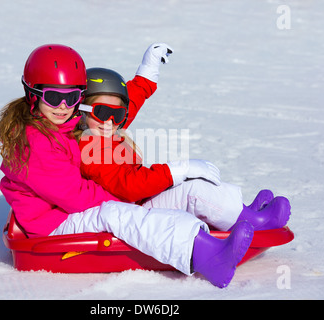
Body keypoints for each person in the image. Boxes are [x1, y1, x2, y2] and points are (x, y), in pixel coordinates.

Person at [0, 43, 256, 288]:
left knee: (170, 195)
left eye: (73, 96)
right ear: (32, 94)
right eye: (54, 97)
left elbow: (112, 110)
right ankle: (206, 254)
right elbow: (75, 196)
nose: (64, 106)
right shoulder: (36, 143)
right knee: (114, 215)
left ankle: (245, 217)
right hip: (52, 223)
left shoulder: (68, 123)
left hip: (68, 210)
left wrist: (147, 74)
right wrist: (125, 201)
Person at [77, 44, 292, 233]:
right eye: (103, 113)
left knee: (193, 182)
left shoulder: (102, 128)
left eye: (119, 114)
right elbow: (129, 185)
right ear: (81, 111)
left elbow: (129, 102)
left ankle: (241, 212)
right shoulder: (90, 147)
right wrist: (177, 170)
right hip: (130, 212)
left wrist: (147, 71)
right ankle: (252, 222)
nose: (112, 121)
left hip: (138, 201)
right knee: (193, 191)